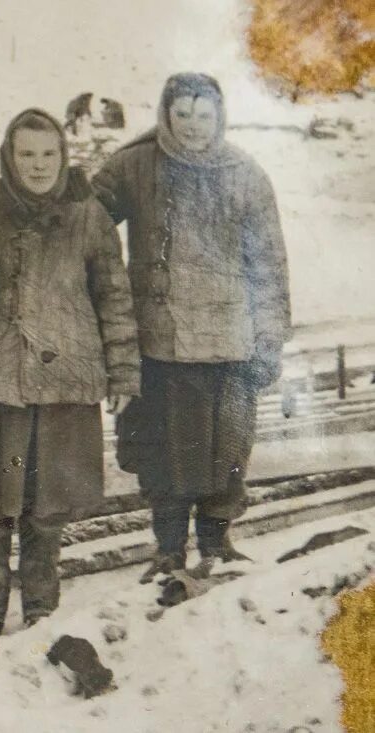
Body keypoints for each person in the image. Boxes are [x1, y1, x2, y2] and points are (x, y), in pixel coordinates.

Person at [0, 109, 140, 636]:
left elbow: (113, 296)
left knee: (48, 500)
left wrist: (123, 373)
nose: (39, 165)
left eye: (49, 153)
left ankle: (41, 604)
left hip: (64, 379)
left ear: (64, 155)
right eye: (27, 154)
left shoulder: (88, 215)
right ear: (9, 156)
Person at [91, 72, 291, 581]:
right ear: (165, 114)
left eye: (204, 115)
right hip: (159, 343)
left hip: (231, 344)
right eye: (182, 114)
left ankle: (217, 543)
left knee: (226, 452)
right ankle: (168, 552)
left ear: (220, 116)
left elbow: (269, 263)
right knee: (163, 454)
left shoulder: (246, 174)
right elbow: (84, 225)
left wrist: (269, 339)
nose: (194, 126)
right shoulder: (135, 165)